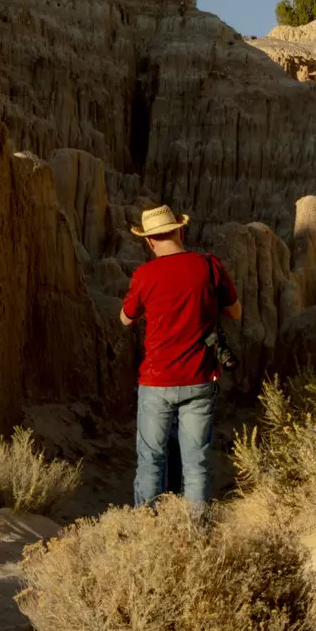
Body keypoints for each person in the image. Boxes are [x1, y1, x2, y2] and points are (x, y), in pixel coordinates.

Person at [119, 203, 241, 512]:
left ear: (149, 240)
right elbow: (236, 311)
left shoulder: (145, 274)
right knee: (195, 465)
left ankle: (147, 534)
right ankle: (195, 538)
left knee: (151, 462)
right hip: (199, 378)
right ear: (179, 230)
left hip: (156, 381)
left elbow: (125, 318)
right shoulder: (208, 265)